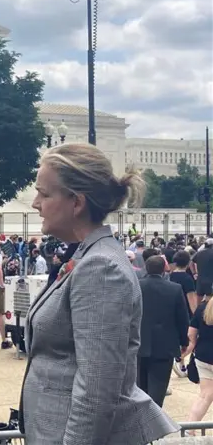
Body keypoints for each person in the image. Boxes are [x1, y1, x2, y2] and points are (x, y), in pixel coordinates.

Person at [20, 143, 178, 444]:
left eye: (44, 193)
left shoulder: (100, 267)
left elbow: (96, 392)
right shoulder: (88, 256)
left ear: (77, 202)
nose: (35, 203)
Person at [137, 256, 190, 407]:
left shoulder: (136, 286)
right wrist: (184, 342)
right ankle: (154, 420)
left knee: (140, 387)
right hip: (165, 345)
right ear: (163, 269)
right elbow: (182, 318)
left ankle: (142, 419)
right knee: (158, 388)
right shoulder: (174, 288)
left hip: (140, 343)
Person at [183, 297, 213, 427]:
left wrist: (184, 353)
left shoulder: (203, 308)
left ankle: (190, 428)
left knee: (205, 396)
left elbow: (191, 335)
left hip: (203, 357)